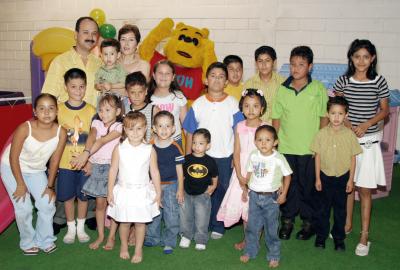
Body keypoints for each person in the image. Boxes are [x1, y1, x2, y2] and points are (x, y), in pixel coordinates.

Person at [333, 39, 389, 256]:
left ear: (372, 58)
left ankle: (364, 234)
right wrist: (348, 124)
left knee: (364, 190)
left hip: (368, 141)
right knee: (348, 186)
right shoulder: (343, 81)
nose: (361, 61)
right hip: (347, 140)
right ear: (351, 58)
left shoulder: (379, 81)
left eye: (366, 56)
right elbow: (337, 106)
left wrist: (366, 125)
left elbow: (384, 110)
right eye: (357, 56)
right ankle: (346, 225)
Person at [271, 46, 328, 241]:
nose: (296, 69)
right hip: (286, 148)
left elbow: (323, 117)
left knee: (308, 186)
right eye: (293, 64)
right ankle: (287, 220)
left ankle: (308, 222)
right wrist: (274, 144)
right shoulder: (282, 89)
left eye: (301, 65)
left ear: (310, 67)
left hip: (309, 149)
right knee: (289, 185)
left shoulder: (318, 88)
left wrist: (319, 144)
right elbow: (276, 117)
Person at [183, 62, 244, 239]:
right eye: (213, 76)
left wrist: (236, 156)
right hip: (201, 157)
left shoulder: (233, 103)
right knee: (201, 190)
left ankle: (218, 224)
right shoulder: (198, 104)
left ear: (226, 82)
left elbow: (238, 132)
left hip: (225, 157)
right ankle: (201, 223)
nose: (217, 79)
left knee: (221, 190)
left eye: (221, 76)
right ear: (206, 80)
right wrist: (189, 158)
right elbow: (189, 132)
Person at [0, 94, 67, 255]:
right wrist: (21, 184)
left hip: (36, 170)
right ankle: (27, 242)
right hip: (12, 167)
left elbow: (55, 162)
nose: (46, 112)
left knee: (47, 204)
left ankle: (45, 239)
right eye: (42, 108)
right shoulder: (25, 128)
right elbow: (12, 157)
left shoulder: (61, 132)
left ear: (57, 111)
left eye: (51, 108)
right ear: (35, 111)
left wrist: (50, 187)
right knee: (24, 207)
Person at [107, 111, 161, 263]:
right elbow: (113, 170)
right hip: (124, 191)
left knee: (140, 222)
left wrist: (158, 192)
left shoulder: (149, 149)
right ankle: (123, 245)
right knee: (124, 222)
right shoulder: (119, 149)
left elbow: (155, 172)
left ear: (145, 129)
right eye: (131, 129)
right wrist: (109, 191)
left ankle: (138, 249)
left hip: (141, 191)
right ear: (124, 129)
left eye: (139, 128)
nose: (135, 133)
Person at [70, 94, 123, 250]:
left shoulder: (119, 126)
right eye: (101, 110)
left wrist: (85, 156)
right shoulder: (96, 122)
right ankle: (101, 236)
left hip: (114, 167)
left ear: (118, 111)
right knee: (100, 204)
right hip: (98, 167)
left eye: (108, 110)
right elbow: (93, 136)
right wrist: (88, 158)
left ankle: (111, 237)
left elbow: (102, 141)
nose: (103, 113)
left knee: (114, 204)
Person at [217, 88, 267, 250]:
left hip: (259, 172)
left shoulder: (266, 126)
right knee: (245, 209)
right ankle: (248, 240)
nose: (251, 110)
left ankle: (254, 241)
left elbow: (269, 154)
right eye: (247, 106)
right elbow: (236, 152)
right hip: (241, 173)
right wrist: (238, 174)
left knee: (255, 210)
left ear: (262, 108)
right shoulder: (239, 125)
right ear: (241, 108)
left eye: (255, 106)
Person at [311, 96, 362, 251]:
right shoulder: (321, 134)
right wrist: (318, 178)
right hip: (325, 176)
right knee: (323, 209)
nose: (336, 117)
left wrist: (350, 180)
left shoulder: (350, 136)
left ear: (346, 115)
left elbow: (353, 159)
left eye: (340, 114)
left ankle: (339, 238)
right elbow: (317, 156)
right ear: (327, 114)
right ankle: (321, 235)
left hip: (343, 177)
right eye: (333, 113)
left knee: (340, 210)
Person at [239, 125, 292, 268]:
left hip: (271, 199)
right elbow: (249, 173)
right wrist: (245, 188)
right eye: (260, 140)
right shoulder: (253, 155)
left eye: (268, 140)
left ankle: (274, 255)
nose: (263, 143)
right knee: (252, 227)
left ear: (275, 142)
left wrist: (284, 193)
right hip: (254, 197)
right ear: (255, 142)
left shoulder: (278, 158)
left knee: (271, 229)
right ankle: (250, 251)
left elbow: (287, 176)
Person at [57, 68, 97, 244]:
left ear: (86, 87)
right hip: (65, 163)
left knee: (83, 197)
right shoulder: (58, 110)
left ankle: (81, 229)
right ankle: (71, 229)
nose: (78, 91)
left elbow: (95, 137)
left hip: (84, 163)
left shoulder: (91, 110)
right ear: (66, 87)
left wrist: (89, 160)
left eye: (82, 86)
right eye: (73, 87)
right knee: (67, 197)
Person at [144, 111, 184, 254]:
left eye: (168, 126)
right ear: (154, 128)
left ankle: (169, 241)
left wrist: (180, 189)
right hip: (153, 185)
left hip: (171, 185)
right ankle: (152, 237)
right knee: (154, 212)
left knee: (171, 214)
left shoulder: (176, 147)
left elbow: (180, 170)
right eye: (160, 126)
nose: (164, 129)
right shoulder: (150, 146)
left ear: (173, 128)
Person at [42, 16, 102, 107]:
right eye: (86, 32)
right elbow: (48, 97)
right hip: (66, 119)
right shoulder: (60, 61)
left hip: (94, 119)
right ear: (76, 35)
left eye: (94, 33)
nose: (90, 37)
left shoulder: (100, 63)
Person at [179, 128, 218, 250]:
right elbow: (182, 175)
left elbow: (215, 176)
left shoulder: (210, 161)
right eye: (194, 142)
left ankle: (201, 239)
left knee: (202, 218)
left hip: (203, 194)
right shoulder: (187, 159)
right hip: (187, 192)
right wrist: (181, 190)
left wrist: (213, 186)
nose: (196, 146)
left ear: (208, 145)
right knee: (185, 216)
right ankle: (186, 236)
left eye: (201, 143)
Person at [149, 60, 187, 147]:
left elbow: (186, 127)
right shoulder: (147, 98)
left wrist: (189, 153)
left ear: (173, 77)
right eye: (160, 73)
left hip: (175, 141)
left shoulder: (179, 97)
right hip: (154, 141)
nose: (163, 76)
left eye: (167, 73)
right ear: (154, 75)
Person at [244, 46, 285, 124]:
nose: (264, 64)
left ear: (274, 62)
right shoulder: (249, 84)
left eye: (267, 60)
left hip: (279, 130)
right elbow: (245, 110)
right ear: (256, 63)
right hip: (256, 130)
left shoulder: (284, 83)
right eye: (260, 61)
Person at [125, 71, 159, 140]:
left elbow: (159, 132)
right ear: (127, 93)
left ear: (146, 91)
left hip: (148, 148)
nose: (136, 96)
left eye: (140, 92)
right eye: (132, 92)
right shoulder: (125, 109)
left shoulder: (153, 109)